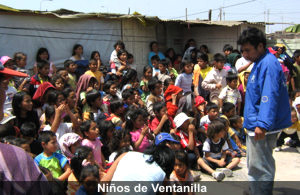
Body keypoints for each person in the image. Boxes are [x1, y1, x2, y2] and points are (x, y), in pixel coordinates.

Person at [238, 27, 291, 194]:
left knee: (260, 167)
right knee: (257, 165)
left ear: (260, 46)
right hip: (258, 123)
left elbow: (269, 95)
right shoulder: (261, 62)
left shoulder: (268, 64)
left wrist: (262, 123)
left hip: (262, 126)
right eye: (243, 51)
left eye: (248, 50)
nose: (245, 54)